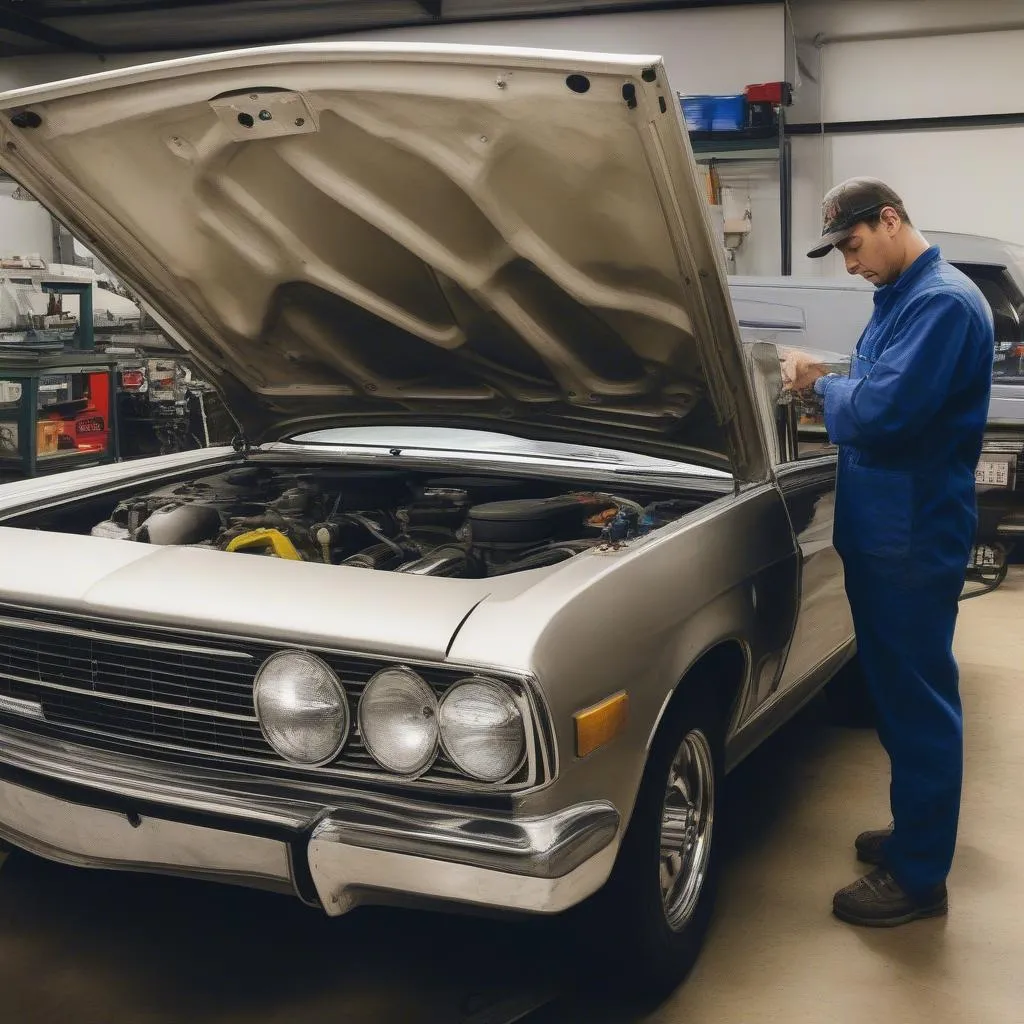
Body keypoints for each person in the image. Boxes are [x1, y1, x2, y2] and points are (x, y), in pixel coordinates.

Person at [782, 178, 994, 927]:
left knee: (918, 705)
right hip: (887, 534)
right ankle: (915, 833)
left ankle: (919, 878)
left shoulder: (940, 303)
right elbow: (876, 386)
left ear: (891, 219)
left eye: (852, 244)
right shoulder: (904, 299)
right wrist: (834, 379)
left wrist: (822, 383)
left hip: (911, 536)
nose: (848, 263)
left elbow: (881, 410)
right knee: (898, 699)